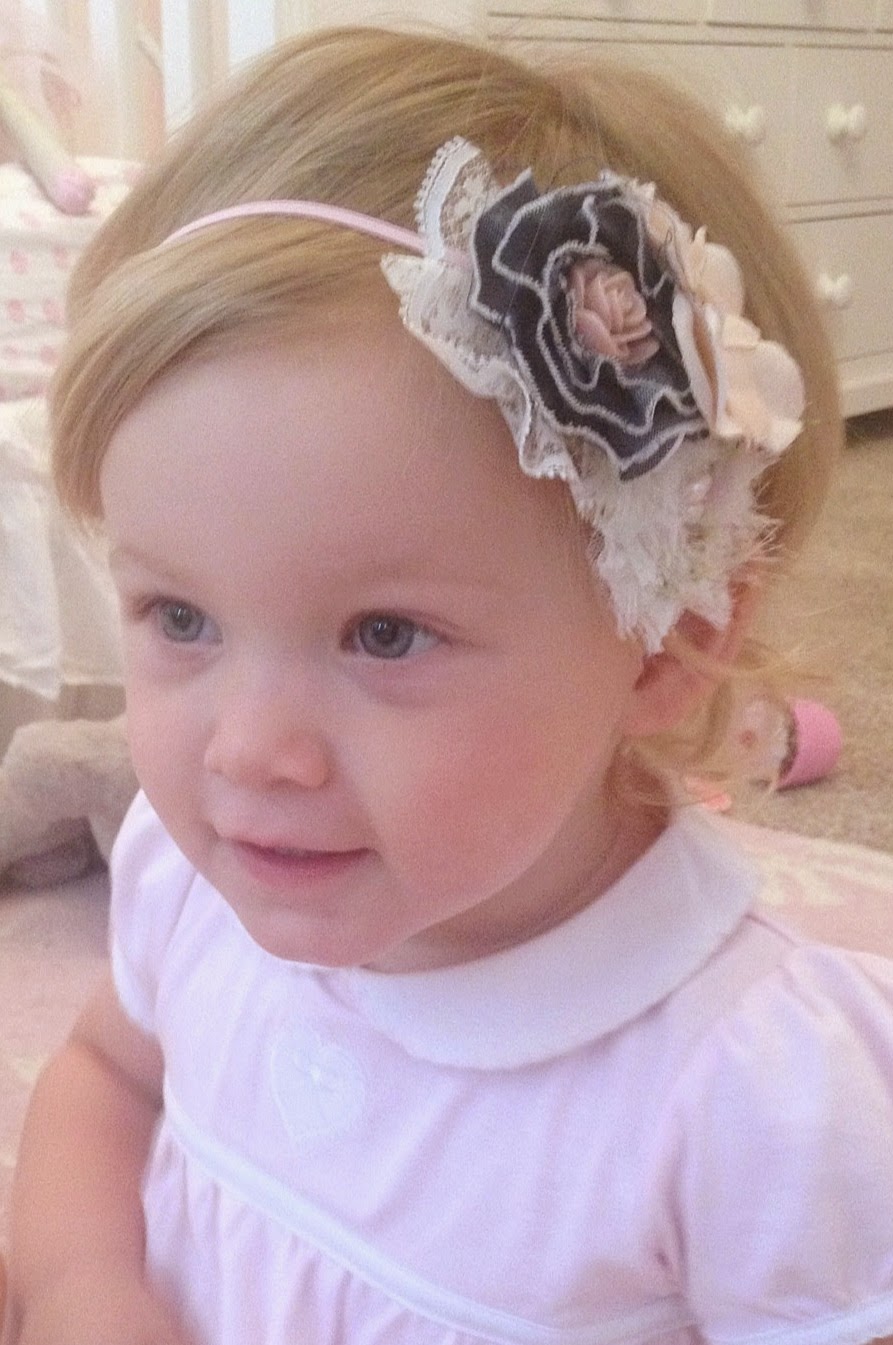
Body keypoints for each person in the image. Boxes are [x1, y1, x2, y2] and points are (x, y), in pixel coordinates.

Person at [5, 24, 892, 1345]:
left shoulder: (753, 1088)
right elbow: (105, 1076)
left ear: (668, 640)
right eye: (179, 616)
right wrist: (84, 1288)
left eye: (384, 635)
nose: (247, 751)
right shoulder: (190, 886)